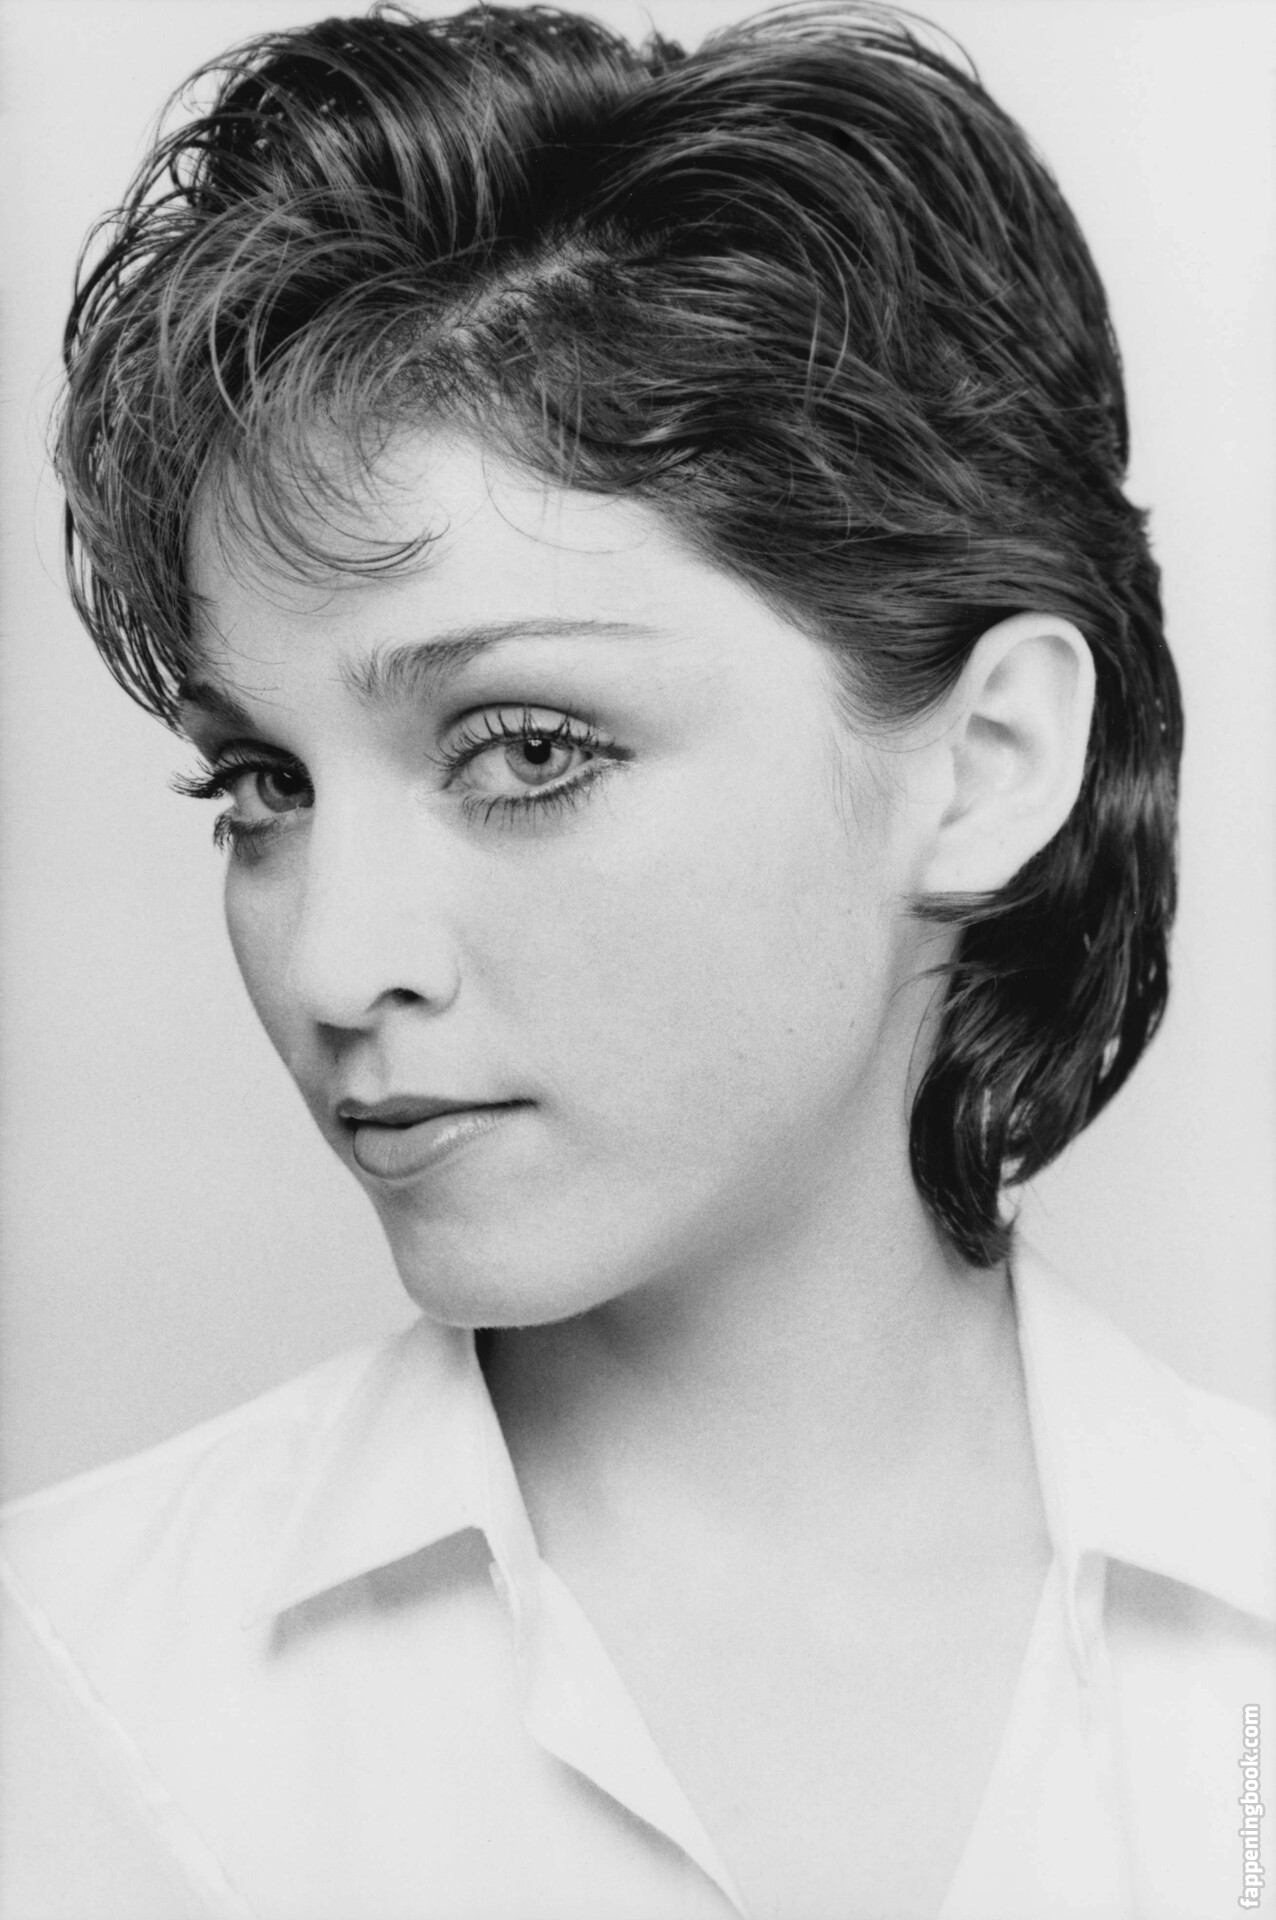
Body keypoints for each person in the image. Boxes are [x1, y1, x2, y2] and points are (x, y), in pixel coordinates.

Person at [0, 4, 1270, 1917]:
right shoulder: (66, 1688)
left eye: (527, 751)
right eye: (263, 785)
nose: (335, 961)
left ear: (987, 763)